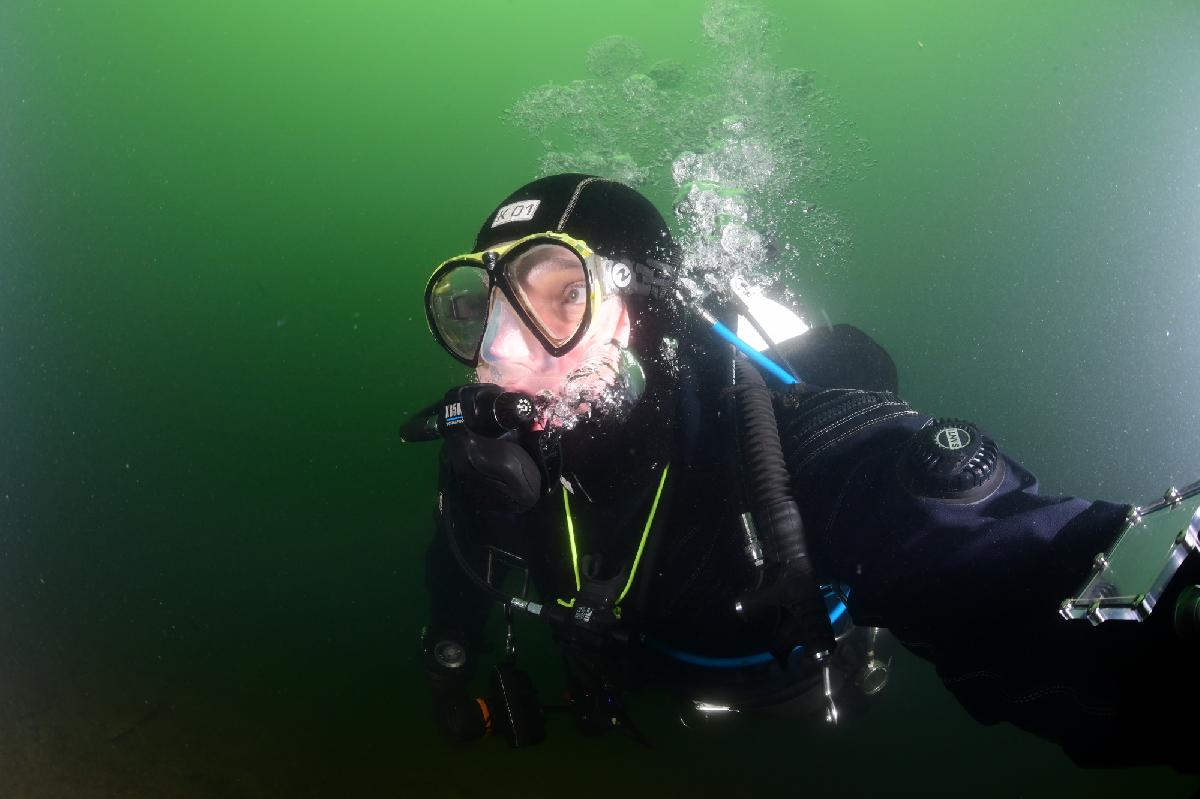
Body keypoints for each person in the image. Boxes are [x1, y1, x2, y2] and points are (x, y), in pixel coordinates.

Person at [412, 173, 1198, 770]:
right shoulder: (487, 454)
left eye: (563, 295)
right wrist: (451, 647)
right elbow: (458, 561)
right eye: (485, 306)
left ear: (641, 317)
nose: (500, 354)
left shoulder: (784, 436)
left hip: (795, 702)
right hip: (649, 690)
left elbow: (992, 553)